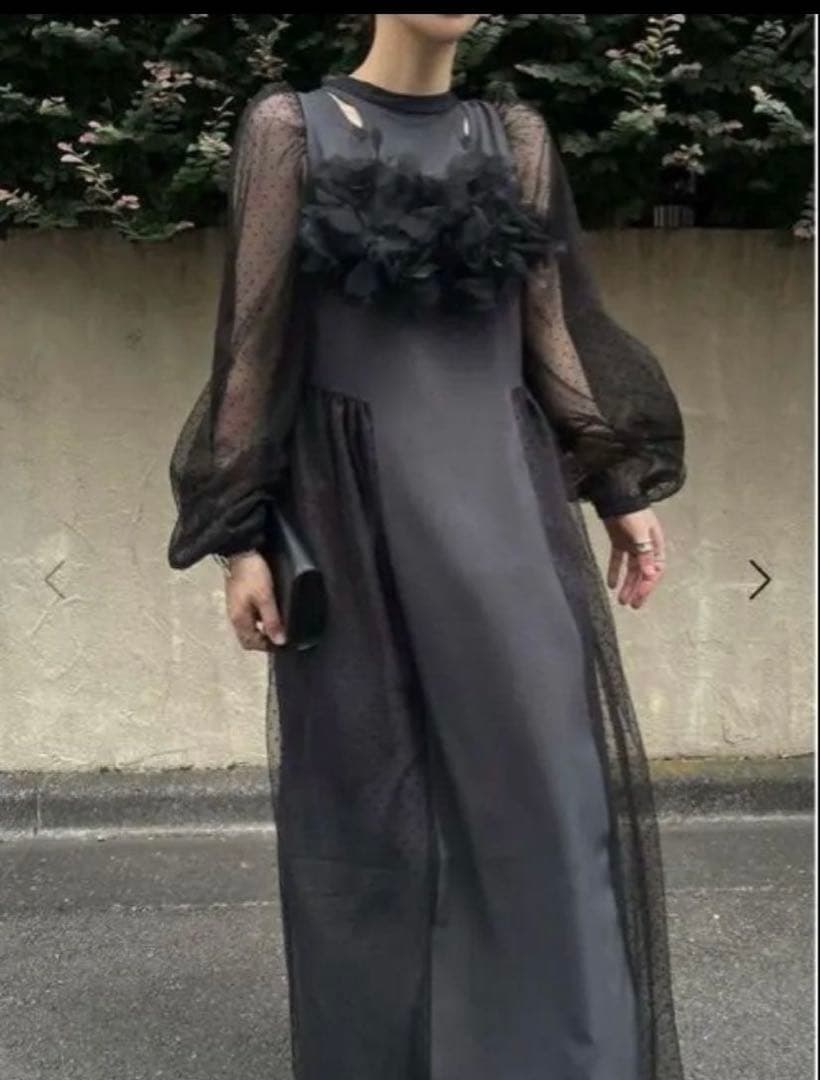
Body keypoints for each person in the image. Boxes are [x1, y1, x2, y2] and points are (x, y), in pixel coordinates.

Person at [166, 13, 687, 1080]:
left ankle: (565, 1055)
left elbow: (551, 329)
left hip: (506, 510)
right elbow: (253, 346)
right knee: (373, 814)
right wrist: (239, 537)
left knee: (548, 791)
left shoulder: (516, 137)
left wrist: (616, 489)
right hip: (355, 521)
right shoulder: (290, 129)